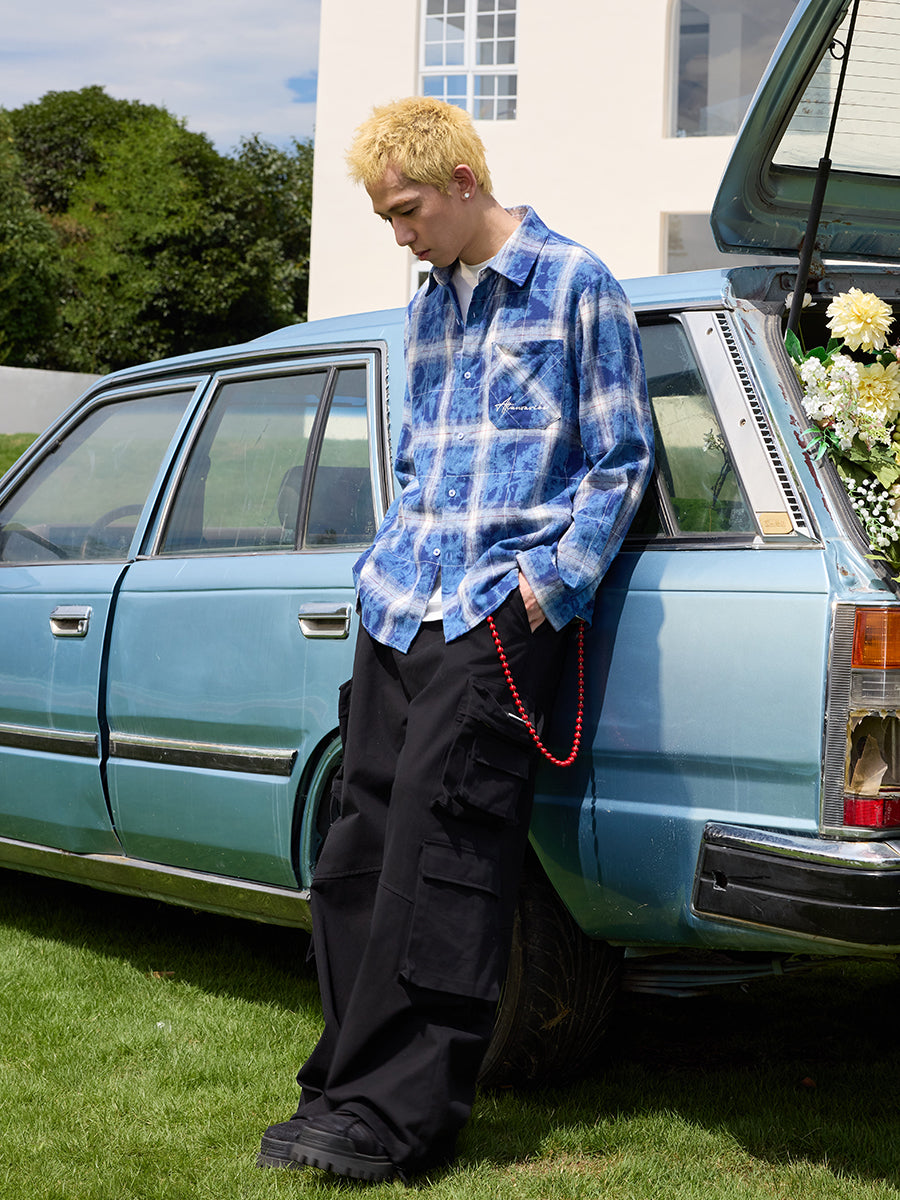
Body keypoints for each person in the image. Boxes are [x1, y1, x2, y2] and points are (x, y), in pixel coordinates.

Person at [257, 96, 653, 1183]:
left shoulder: (578, 283)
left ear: (466, 183)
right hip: (400, 606)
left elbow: (621, 463)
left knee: (443, 860)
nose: (399, 234)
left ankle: (400, 1117)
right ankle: (341, 1086)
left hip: (493, 613)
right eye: (387, 216)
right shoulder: (427, 306)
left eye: (408, 211)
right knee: (355, 855)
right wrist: (383, 562)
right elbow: (419, 459)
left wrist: (545, 590)